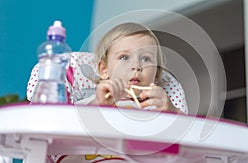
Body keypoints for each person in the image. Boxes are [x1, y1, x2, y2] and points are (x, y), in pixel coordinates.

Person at [26, 22, 188, 163]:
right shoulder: (92, 101)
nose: (136, 66)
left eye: (146, 59)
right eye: (124, 57)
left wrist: (171, 110)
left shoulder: (159, 111)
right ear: (103, 70)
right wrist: (99, 105)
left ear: (157, 75)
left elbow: (190, 145)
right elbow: (62, 128)